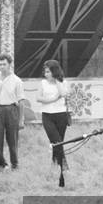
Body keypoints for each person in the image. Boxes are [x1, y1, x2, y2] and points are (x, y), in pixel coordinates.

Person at [37, 59, 70, 187]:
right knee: (56, 141)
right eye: (45, 72)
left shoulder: (63, 82)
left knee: (59, 142)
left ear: (54, 71)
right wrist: (52, 99)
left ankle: (55, 163)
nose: (46, 74)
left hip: (61, 115)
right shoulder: (43, 83)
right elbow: (38, 98)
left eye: (49, 72)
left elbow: (63, 94)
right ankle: (63, 166)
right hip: (47, 115)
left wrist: (57, 80)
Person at [0, 54, 24, 170]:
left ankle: (15, 164)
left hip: (11, 109)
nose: (2, 67)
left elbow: (21, 101)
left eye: (4, 64)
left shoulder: (16, 80)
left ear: (9, 65)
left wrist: (21, 119)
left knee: (12, 139)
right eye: (0, 64)